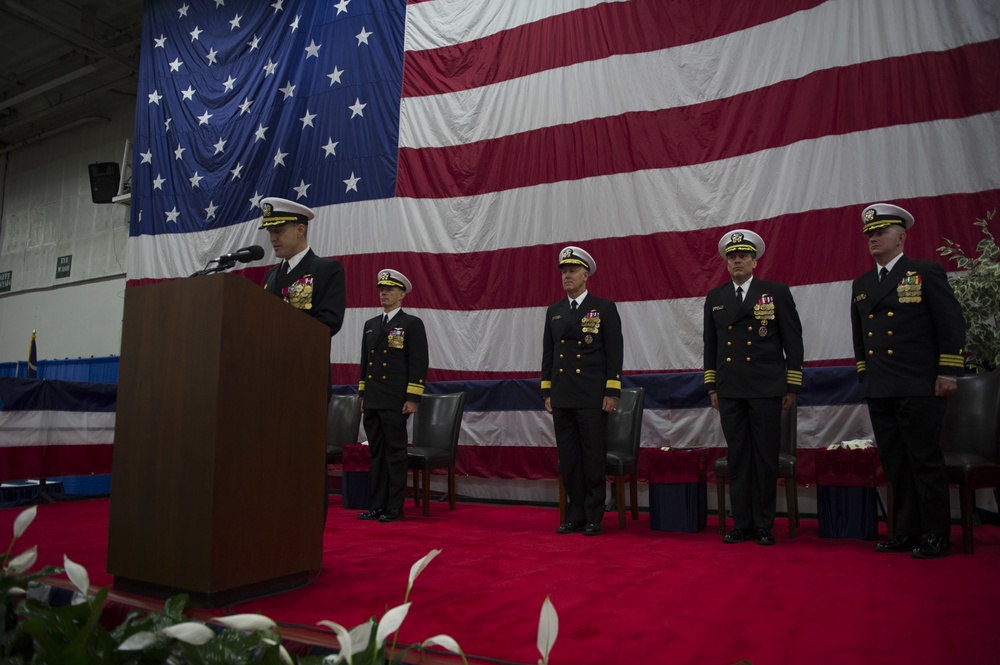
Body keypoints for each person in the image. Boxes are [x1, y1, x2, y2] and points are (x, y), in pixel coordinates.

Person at [851, 203, 965, 559]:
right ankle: (904, 531)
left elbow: (951, 324)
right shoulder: (863, 283)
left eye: (881, 232)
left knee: (924, 462)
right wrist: (865, 375)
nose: (874, 238)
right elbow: (860, 336)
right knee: (896, 464)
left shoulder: (924, 272)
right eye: (870, 233)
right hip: (881, 386)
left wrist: (947, 371)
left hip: (919, 384)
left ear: (901, 237)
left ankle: (936, 534)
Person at [704, 229, 803, 546]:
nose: (737, 260)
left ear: (754, 261)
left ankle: (763, 524)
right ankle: (742, 523)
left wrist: (792, 385)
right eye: (732, 257)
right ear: (726, 262)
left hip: (766, 387)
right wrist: (712, 387)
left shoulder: (775, 292)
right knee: (738, 457)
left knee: (764, 456)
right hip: (730, 388)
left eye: (743, 255)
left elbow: (793, 342)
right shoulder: (716, 297)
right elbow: (711, 346)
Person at [541, 246, 624, 536]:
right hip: (563, 396)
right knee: (570, 460)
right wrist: (547, 392)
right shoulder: (555, 311)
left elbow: (615, 353)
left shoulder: (604, 308)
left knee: (592, 458)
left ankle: (594, 515)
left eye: (572, 271)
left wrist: (612, 391)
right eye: (564, 272)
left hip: (592, 396)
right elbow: (548, 355)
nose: (567, 276)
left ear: (586, 274)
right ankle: (574, 513)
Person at [356, 269, 429, 523]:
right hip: (374, 399)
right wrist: (363, 395)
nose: (383, 293)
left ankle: (394, 507)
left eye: (389, 289)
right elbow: (366, 364)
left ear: (402, 294)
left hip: (396, 400)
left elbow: (418, 363)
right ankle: (377, 504)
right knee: (376, 453)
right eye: (381, 289)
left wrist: (413, 398)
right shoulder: (371, 325)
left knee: (395, 454)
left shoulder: (410, 324)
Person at [260, 197, 346, 337]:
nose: (272, 238)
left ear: (300, 230)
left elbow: (329, 322)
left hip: (305, 355)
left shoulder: (327, 269)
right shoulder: (272, 273)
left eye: (278, 231)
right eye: (270, 232)